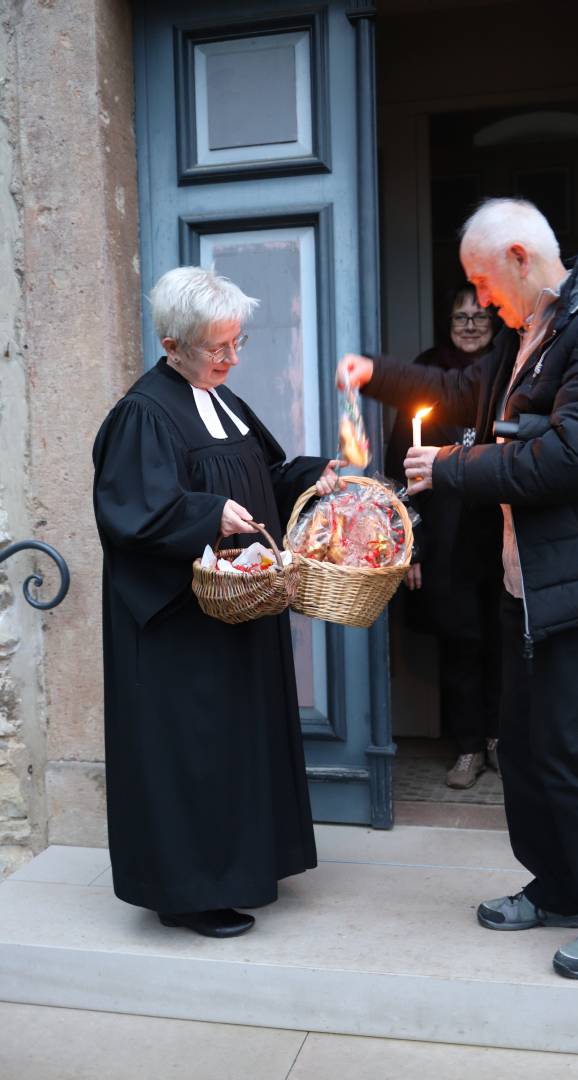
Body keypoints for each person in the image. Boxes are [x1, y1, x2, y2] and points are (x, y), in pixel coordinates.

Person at [337, 198, 578, 980]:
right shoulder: (533, 335)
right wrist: (376, 374)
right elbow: (458, 393)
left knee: (575, 754)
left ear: (521, 258)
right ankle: (557, 887)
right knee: (522, 747)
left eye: (485, 283)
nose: (483, 302)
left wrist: (453, 469)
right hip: (529, 586)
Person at [93, 266, 343, 939]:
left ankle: (247, 865)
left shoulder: (222, 398)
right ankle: (187, 893)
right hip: (181, 629)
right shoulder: (144, 412)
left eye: (238, 343)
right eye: (218, 348)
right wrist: (207, 514)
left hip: (234, 612)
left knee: (238, 746)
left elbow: (259, 475)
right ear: (172, 346)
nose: (232, 359)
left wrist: (312, 476)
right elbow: (131, 514)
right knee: (194, 754)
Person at [384, 286, 503, 789]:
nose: (470, 325)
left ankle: (502, 742)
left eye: (479, 316)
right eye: (460, 316)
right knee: (461, 644)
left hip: (503, 534)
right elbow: (398, 465)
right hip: (446, 538)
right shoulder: (429, 371)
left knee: (507, 640)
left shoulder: (512, 367)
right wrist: (410, 543)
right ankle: (470, 747)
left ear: (497, 322)